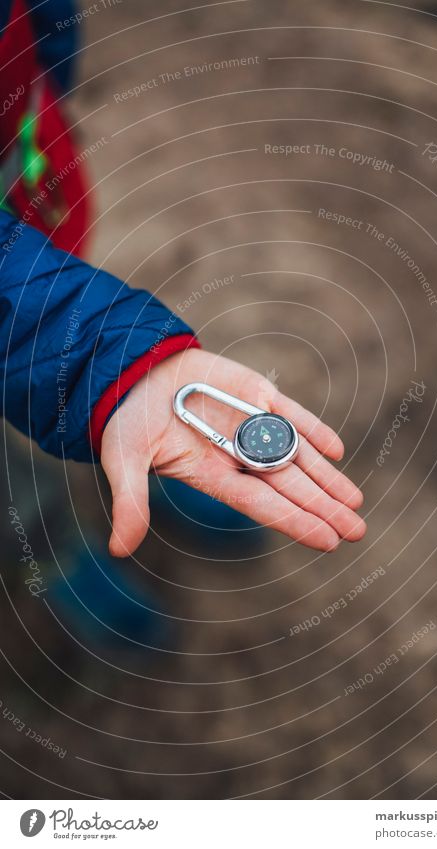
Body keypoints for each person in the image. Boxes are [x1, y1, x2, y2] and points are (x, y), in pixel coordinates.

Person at [0, 0, 366, 559]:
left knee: (73, 308)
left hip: (33, 171)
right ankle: (50, 549)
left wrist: (44, 80)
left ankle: (142, 452)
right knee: (12, 445)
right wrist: (99, 366)